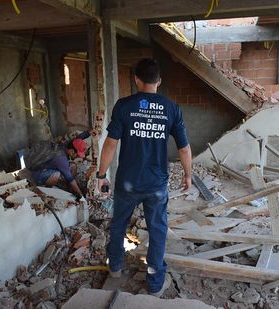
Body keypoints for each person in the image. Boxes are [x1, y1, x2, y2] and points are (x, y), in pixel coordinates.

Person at [97, 58, 192, 297]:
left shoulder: (124, 106)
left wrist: (101, 175)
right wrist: (188, 175)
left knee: (119, 224)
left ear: (136, 79)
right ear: (159, 81)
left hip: (127, 182)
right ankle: (155, 280)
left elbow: (110, 143)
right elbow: (184, 148)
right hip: (156, 185)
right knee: (157, 229)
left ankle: (116, 268)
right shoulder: (172, 109)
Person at [25, 129, 95, 199]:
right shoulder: (61, 160)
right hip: (37, 172)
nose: (77, 157)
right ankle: (43, 189)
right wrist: (81, 196)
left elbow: (78, 139)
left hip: (45, 164)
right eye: (77, 155)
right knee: (56, 175)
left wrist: (88, 133)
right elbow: (71, 180)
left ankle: (70, 190)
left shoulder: (68, 145)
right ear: (72, 151)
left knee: (73, 166)